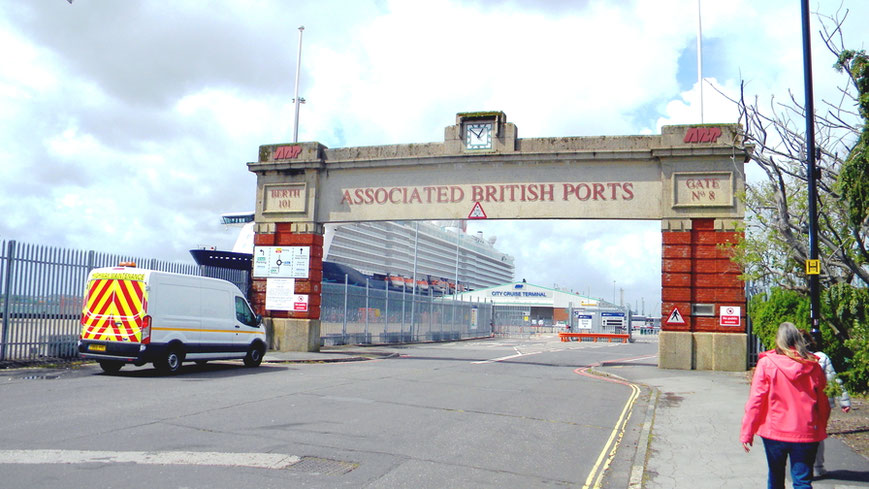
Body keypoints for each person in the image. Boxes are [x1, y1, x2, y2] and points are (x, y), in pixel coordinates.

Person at [741, 322, 831, 489]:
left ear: (779, 340)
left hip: (774, 431)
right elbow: (823, 401)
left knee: (775, 476)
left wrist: (747, 431)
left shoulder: (767, 364)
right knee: (802, 481)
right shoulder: (813, 366)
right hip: (806, 430)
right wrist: (821, 426)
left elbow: (756, 400)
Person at [800, 330, 851, 477]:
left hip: (801, 403)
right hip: (821, 403)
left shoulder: (792, 358)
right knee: (818, 435)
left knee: (801, 436)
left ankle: (804, 467)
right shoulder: (821, 357)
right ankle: (818, 466)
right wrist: (844, 401)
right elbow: (833, 379)